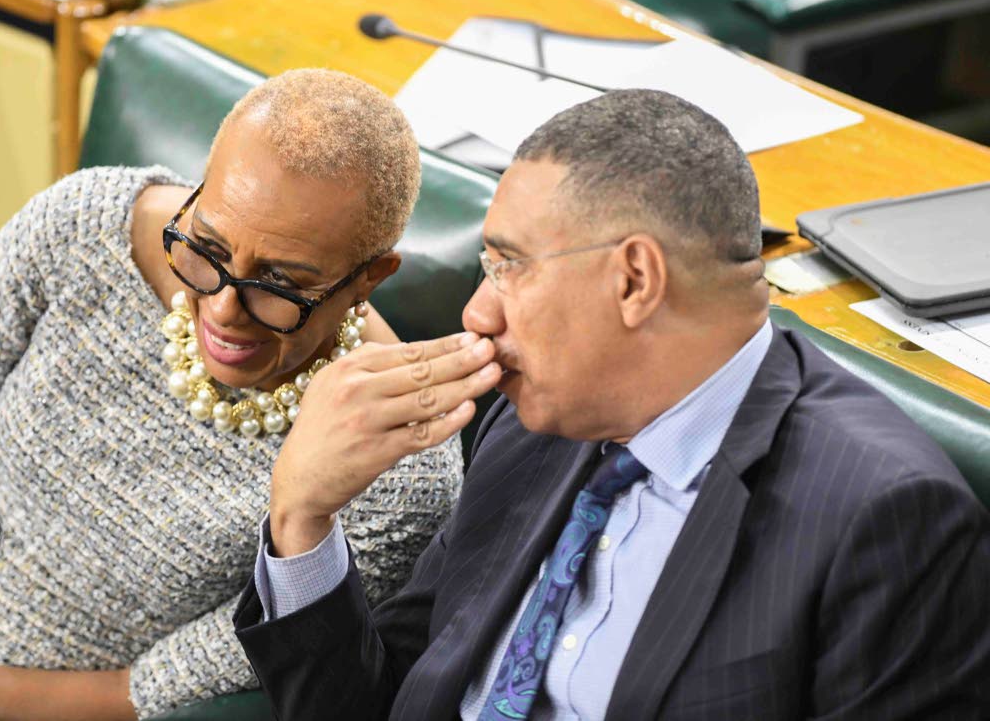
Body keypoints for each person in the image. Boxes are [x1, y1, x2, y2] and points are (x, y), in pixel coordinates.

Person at [233, 89, 990, 720]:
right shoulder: (533, 422)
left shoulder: (886, 519)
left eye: (509, 268)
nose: (476, 315)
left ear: (634, 280)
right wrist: (303, 521)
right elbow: (385, 698)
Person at [0, 69, 477, 720]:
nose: (223, 309)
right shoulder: (85, 229)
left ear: (369, 278)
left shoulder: (398, 471)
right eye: (207, 246)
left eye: (280, 283)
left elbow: (138, 696)